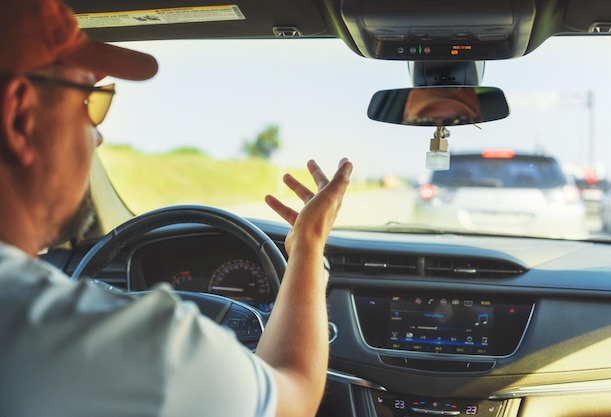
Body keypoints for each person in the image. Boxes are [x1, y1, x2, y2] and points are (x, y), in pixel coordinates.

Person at [0, 0, 353, 416]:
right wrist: (309, 247)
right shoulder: (148, 349)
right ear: (20, 116)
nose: (97, 138)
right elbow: (294, 393)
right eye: (87, 104)